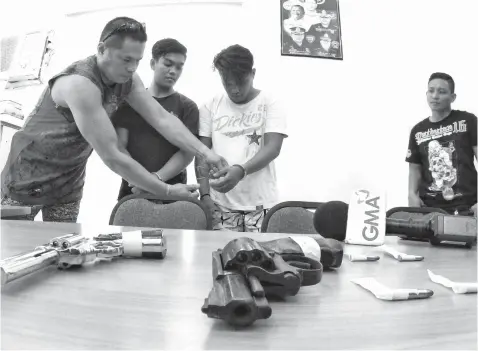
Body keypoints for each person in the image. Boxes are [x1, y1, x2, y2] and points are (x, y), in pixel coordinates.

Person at [0, 17, 226, 223]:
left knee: (63, 256)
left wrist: (207, 153)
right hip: (25, 180)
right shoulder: (80, 84)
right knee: (11, 252)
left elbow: (162, 119)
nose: (131, 68)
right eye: (126, 59)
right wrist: (165, 190)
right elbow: (112, 155)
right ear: (102, 49)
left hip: (68, 183)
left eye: (137, 61)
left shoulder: (128, 79)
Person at [195, 44, 288, 232]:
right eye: (228, 83)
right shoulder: (209, 106)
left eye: (241, 82)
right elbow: (201, 153)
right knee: (221, 258)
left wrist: (241, 170)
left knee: (261, 259)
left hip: (261, 205)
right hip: (220, 205)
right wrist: (204, 195)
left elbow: (273, 147)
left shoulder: (270, 102)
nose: (235, 90)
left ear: (253, 73)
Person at [112, 38, 198, 201]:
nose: (173, 71)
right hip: (132, 190)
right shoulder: (128, 103)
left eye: (179, 67)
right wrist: (139, 180)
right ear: (152, 63)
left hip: (175, 190)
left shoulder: (188, 107)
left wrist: (155, 179)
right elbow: (119, 147)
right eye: (168, 64)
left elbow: (187, 152)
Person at [406, 72, 477, 216]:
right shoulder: (417, 130)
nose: (435, 96)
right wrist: (412, 196)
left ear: (453, 97)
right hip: (430, 209)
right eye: (431, 91)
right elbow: (414, 170)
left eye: (442, 91)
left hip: (466, 206)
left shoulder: (467, 121)